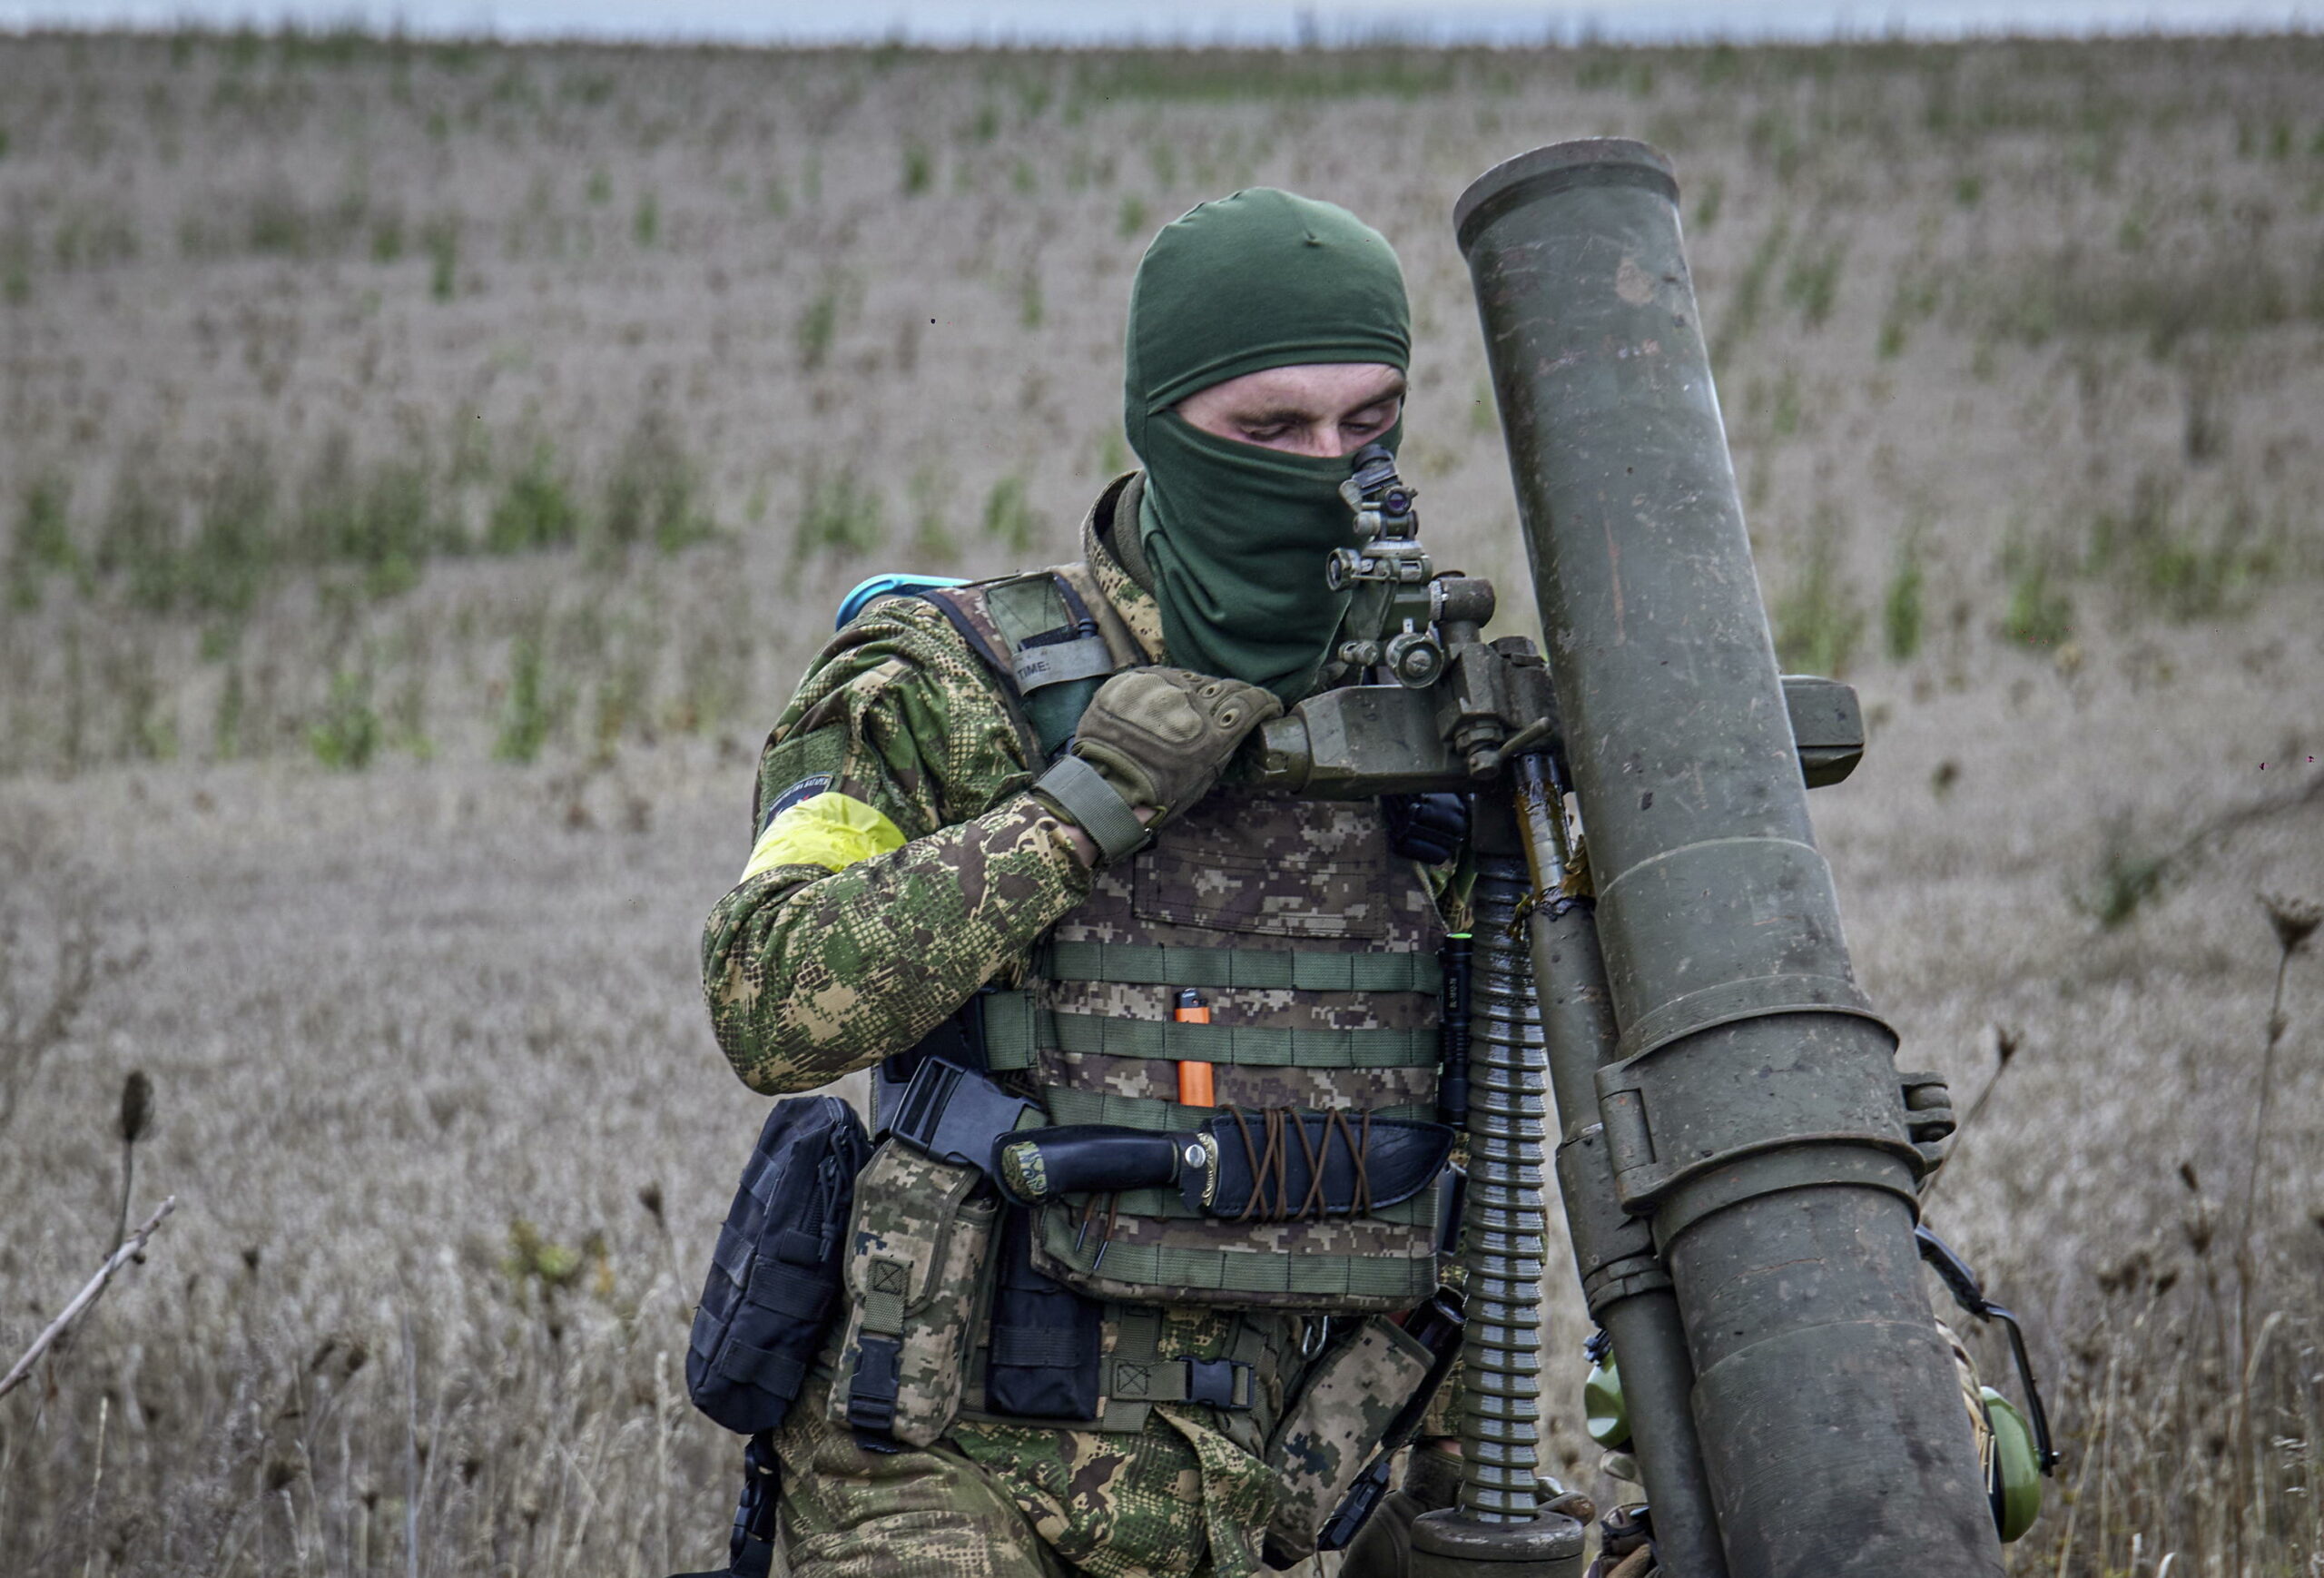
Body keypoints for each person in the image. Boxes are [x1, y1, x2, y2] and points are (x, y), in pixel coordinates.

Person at [702, 188, 1470, 1578]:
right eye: (1271, 430)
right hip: (948, 1480)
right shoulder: (951, 679)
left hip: (1277, 1502)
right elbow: (768, 991)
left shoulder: (1431, 732)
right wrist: (1081, 808)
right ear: (1165, 427)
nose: (1333, 469)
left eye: (1369, 425)